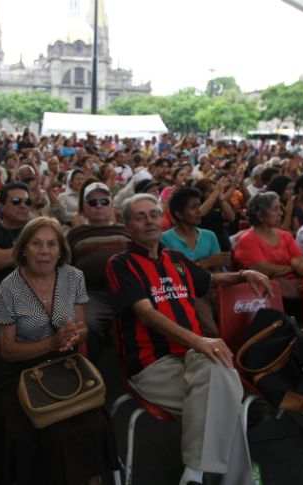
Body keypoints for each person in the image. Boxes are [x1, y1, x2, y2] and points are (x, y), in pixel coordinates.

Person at [106, 194, 273, 485]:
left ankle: (193, 474)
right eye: (140, 217)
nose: (149, 222)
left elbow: (210, 281)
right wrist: (199, 341)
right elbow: (146, 313)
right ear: (127, 226)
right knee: (227, 400)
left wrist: (244, 274)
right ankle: (234, 480)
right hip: (152, 363)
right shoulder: (121, 263)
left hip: (193, 357)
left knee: (217, 378)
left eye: (153, 215)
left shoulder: (175, 258)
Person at [0, 216, 119, 485]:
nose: (44, 251)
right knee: (41, 430)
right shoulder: (6, 289)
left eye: (51, 244)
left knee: (93, 422)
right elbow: (6, 350)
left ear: (61, 250)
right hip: (23, 374)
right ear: (23, 249)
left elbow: (82, 328)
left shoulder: (74, 277)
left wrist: (72, 336)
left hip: (66, 366)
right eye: (36, 244)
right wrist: (50, 343)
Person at [66, 182, 131, 363]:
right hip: (91, 293)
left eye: (104, 201)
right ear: (84, 208)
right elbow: (65, 267)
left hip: (127, 290)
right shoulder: (75, 234)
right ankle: (92, 370)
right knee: (89, 325)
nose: (99, 206)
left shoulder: (126, 230)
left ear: (111, 205)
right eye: (93, 202)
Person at [234, 192, 303, 320]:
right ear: (260, 215)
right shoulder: (247, 240)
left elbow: (300, 262)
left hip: (295, 288)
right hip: (267, 294)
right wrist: (292, 267)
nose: (281, 213)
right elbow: (264, 270)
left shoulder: (285, 235)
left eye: (280, 209)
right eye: (275, 209)